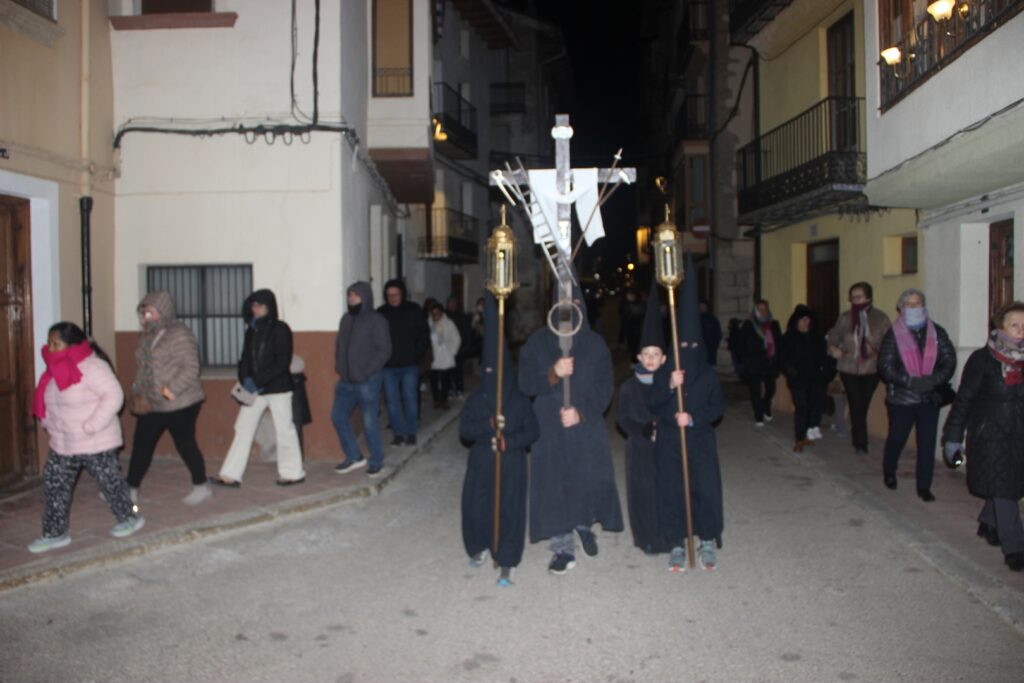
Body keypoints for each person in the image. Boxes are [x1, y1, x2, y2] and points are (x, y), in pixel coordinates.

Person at [518, 280, 623, 575]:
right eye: (563, 306)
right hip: (549, 426)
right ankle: (562, 545)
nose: (569, 312)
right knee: (555, 482)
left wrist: (582, 412)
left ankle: (583, 524)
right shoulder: (538, 342)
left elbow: (605, 386)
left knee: (586, 476)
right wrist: (552, 373)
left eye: (574, 305)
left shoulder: (595, 343)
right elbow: (525, 383)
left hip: (584, 424)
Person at [28, 322, 145, 553]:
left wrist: (92, 425)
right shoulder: (52, 370)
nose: (51, 348)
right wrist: (48, 423)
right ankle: (55, 533)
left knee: (111, 484)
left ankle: (131, 517)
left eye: (56, 344)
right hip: (63, 442)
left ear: (72, 344)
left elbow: (114, 396)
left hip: (95, 440)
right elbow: (50, 402)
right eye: (49, 343)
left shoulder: (93, 366)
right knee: (54, 486)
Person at [648, 253, 725, 572]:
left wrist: (692, 418)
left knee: (704, 490)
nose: (689, 352)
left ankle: (706, 538)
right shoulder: (665, 373)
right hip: (670, 442)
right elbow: (653, 403)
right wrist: (669, 386)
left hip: (700, 441)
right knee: (673, 491)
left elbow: (717, 407)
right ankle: (676, 541)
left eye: (694, 347)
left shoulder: (708, 374)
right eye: (684, 347)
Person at [460, 292, 540, 586]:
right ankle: (480, 546)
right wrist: (488, 424)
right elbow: (465, 431)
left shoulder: (519, 400)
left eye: (498, 373)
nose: (492, 377)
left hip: (510, 461)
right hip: (482, 459)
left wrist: (510, 441)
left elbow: (533, 431)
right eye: (487, 372)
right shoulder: (477, 399)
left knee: (509, 509)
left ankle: (507, 559)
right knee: (477, 506)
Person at [943, 301, 1024, 572]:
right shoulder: (983, 359)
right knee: (1004, 488)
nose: (1021, 330)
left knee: (1008, 484)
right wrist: (953, 438)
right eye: (1015, 325)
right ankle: (1015, 548)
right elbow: (964, 400)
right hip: (989, 436)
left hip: (1019, 434)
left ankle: (989, 523)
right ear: (1000, 327)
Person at [212, 289, 306, 487]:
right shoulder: (252, 330)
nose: (256, 309)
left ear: (269, 307)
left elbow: (282, 362)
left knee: (284, 429)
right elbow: (244, 359)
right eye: (254, 305)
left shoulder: (280, 329)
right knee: (243, 427)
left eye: (260, 305)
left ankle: (293, 473)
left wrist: (258, 381)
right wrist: (245, 378)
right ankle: (230, 474)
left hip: (278, 388)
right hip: (255, 389)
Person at [126, 291, 211, 505]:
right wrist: (139, 389)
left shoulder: (179, 333)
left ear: (163, 311)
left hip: (180, 401)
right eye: (143, 312)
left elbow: (191, 367)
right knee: (142, 445)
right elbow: (144, 367)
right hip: (152, 401)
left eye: (150, 312)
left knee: (185, 444)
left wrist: (169, 390)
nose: (146, 316)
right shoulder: (147, 335)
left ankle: (201, 485)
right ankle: (130, 488)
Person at [877, 289, 956, 501]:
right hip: (902, 398)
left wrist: (933, 380)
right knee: (897, 438)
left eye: (918, 303)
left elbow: (949, 360)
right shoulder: (893, 334)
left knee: (927, 443)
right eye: (909, 304)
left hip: (929, 397)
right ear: (902, 308)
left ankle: (924, 485)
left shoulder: (936, 332)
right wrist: (910, 381)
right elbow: (886, 366)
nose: (914, 308)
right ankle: (889, 471)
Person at [617, 279, 669, 555]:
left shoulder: (669, 385)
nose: (650, 358)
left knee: (665, 489)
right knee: (643, 493)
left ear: (663, 359)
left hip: (665, 445)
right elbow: (622, 419)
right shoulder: (629, 387)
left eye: (655, 354)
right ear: (638, 357)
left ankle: (668, 535)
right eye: (646, 354)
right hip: (639, 447)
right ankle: (646, 537)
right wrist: (641, 428)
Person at [332, 282, 392, 477]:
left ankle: (377, 461)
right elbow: (339, 345)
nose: (352, 299)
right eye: (350, 295)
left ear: (365, 297)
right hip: (346, 380)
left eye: (356, 295)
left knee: (369, 423)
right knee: (338, 416)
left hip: (367, 381)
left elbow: (385, 350)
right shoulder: (346, 319)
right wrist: (340, 366)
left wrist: (367, 372)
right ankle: (354, 456)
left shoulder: (376, 320)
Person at [827, 282, 892, 454]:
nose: (855, 300)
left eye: (859, 297)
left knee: (863, 403)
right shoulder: (846, 317)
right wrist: (833, 348)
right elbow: (834, 335)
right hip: (849, 366)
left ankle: (853, 428)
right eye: (853, 297)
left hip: (872, 368)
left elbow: (889, 341)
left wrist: (884, 358)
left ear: (868, 297)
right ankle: (861, 443)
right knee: (856, 402)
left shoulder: (880, 318)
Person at [378, 279, 431, 446]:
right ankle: (398, 434)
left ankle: (411, 432)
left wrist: (416, 355)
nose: (393, 298)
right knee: (392, 402)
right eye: (389, 295)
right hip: (388, 367)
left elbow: (424, 334)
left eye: (396, 294)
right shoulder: (381, 313)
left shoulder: (413, 310)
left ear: (403, 294)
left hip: (409, 365)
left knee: (409, 398)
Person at [780, 304, 835, 452]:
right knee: (801, 408)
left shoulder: (817, 337)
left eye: (807, 319)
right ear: (796, 321)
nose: (805, 322)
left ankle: (808, 433)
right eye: (802, 319)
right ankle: (799, 438)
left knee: (813, 406)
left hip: (816, 379)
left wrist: (826, 373)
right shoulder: (788, 338)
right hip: (797, 380)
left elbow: (825, 357)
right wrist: (792, 372)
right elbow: (782, 359)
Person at [738, 299, 783, 426]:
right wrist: (745, 359)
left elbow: (779, 343)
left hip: (770, 362)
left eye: (765, 309)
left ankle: (766, 405)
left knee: (771, 389)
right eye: (760, 309)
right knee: (755, 391)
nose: (763, 312)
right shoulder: (748, 325)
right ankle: (759, 416)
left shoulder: (773, 324)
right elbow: (741, 343)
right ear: (755, 310)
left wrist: (779, 360)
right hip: (754, 362)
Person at [428, 302, 461, 410]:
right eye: (433, 314)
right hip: (433, 357)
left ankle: (444, 400)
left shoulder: (448, 323)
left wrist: (452, 352)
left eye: (437, 313)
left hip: (445, 356)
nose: (435, 316)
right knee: (433, 380)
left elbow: (456, 338)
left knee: (445, 380)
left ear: (441, 313)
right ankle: (436, 399)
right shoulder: (429, 323)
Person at [446, 296, 473, 399]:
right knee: (447, 371)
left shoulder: (461, 317)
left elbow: (466, 332)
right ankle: (448, 389)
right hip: (446, 349)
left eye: (454, 303)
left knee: (458, 370)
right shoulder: (444, 316)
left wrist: (464, 347)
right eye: (450, 303)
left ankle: (459, 389)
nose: (452, 305)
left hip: (458, 348)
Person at [699, 299, 723, 367]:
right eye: (700, 307)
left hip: (710, 348)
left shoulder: (712, 319)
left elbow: (718, 334)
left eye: (703, 307)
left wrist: (714, 345)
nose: (702, 309)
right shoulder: (696, 319)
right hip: (699, 348)